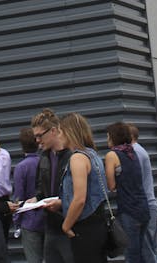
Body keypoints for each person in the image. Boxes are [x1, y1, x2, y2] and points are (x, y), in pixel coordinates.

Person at [52, 112, 107, 262]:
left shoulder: (77, 158)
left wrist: (66, 225)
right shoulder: (92, 154)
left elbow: (80, 199)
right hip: (98, 223)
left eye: (60, 132)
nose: (58, 136)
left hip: (85, 227)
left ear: (69, 132)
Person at [105, 121, 154, 263]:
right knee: (143, 253)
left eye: (109, 137)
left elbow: (111, 185)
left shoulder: (112, 155)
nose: (107, 140)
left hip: (129, 211)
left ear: (114, 137)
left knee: (132, 256)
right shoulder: (134, 152)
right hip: (143, 209)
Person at [32, 108, 74, 263]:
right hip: (51, 225)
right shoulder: (44, 157)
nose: (37, 140)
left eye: (39, 135)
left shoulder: (72, 156)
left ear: (53, 131)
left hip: (70, 225)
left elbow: (82, 194)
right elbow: (41, 188)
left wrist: (62, 204)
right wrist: (35, 199)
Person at [126, 124, 157, 263]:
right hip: (149, 205)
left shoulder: (135, 152)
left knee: (147, 252)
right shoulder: (140, 150)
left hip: (144, 206)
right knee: (149, 250)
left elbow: (133, 179)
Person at [11, 127, 45, 263]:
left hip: (29, 221)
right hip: (48, 218)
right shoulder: (45, 162)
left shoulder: (21, 167)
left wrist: (16, 221)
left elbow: (18, 197)